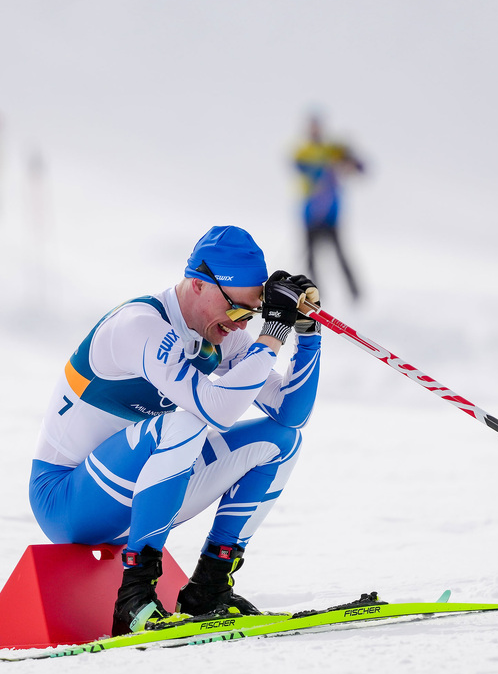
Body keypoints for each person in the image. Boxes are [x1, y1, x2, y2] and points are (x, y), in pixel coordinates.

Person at [28, 226, 324, 636]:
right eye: (236, 311)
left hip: (133, 499)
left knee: (281, 442)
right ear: (199, 284)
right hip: (66, 502)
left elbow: (290, 414)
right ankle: (134, 598)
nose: (240, 326)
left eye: (251, 315)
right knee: (188, 421)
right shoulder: (139, 325)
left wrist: (307, 335)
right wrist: (272, 334)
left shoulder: (218, 331)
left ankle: (208, 588)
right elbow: (218, 411)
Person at [293, 111, 365, 300]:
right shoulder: (303, 151)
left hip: (331, 213)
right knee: (311, 258)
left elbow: (359, 166)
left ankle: (355, 294)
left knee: (340, 255)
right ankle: (315, 295)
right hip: (311, 213)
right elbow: (299, 166)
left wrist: (348, 157)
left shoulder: (332, 149)